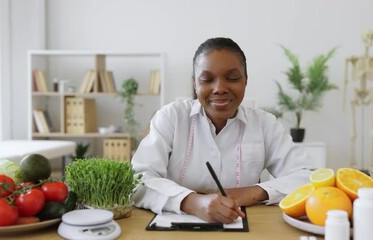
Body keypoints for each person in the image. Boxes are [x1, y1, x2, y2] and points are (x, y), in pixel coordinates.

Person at [132, 37, 315, 224]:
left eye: (233, 78)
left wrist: (251, 192)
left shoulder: (264, 124)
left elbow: (309, 176)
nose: (219, 88)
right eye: (207, 79)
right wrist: (192, 202)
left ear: (245, 81)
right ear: (195, 84)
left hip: (243, 228)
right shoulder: (171, 117)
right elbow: (138, 180)